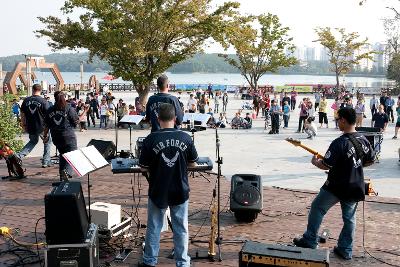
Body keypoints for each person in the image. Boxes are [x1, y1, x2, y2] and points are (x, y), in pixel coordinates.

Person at [293, 107, 374, 260]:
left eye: (338, 120)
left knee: (317, 208)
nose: (337, 123)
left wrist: (316, 162)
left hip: (336, 186)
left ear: (343, 120)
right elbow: (370, 161)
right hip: (355, 186)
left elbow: (326, 164)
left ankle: (310, 240)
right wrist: (354, 166)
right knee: (349, 219)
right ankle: (346, 249)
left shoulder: (339, 143)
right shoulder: (363, 140)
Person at [138, 103, 198, 267]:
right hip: (180, 189)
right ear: (175, 119)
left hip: (158, 190)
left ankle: (150, 261)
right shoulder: (186, 137)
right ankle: (183, 262)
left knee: (154, 227)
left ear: (158, 119)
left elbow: (143, 166)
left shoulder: (151, 139)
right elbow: (193, 163)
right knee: (181, 228)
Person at [43, 91, 79, 180]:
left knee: (62, 155)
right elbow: (75, 123)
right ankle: (66, 173)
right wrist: (84, 112)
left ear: (54, 98)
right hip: (68, 136)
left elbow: (46, 125)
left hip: (56, 136)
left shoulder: (50, 109)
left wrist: (45, 136)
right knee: (72, 155)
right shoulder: (68, 108)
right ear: (64, 97)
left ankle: (62, 176)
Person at [18, 84, 52, 168]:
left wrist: (23, 124)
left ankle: (19, 156)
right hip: (42, 126)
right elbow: (48, 114)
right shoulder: (44, 101)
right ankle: (46, 161)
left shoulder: (26, 100)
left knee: (33, 141)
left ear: (32, 89)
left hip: (30, 125)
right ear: (40, 90)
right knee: (47, 142)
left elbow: (22, 113)